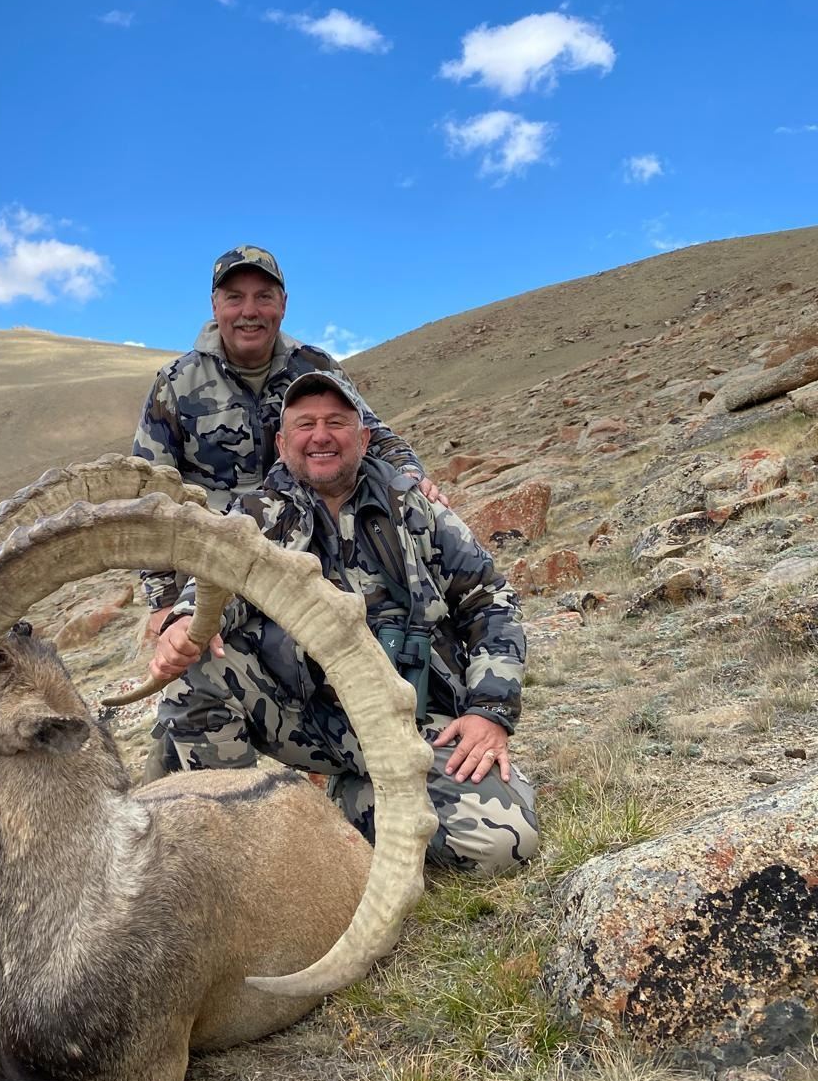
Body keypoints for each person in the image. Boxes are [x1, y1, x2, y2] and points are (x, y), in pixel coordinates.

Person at [146, 370, 539, 876]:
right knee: (198, 661)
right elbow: (216, 589)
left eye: (336, 422)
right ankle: (239, 852)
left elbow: (491, 603)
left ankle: (349, 805)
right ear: (282, 443)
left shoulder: (416, 509)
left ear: (364, 437)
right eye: (305, 424)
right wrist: (185, 620)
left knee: (503, 845)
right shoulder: (254, 518)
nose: (321, 436)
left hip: (415, 723)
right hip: (308, 718)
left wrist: (490, 710)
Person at [132, 244, 446, 636]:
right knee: (201, 659)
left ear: (283, 304)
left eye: (264, 297)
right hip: (217, 566)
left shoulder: (315, 366)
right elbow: (150, 491)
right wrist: (162, 601)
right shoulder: (175, 384)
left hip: (309, 545)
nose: (250, 311)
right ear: (215, 306)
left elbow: (372, 435)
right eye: (235, 298)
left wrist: (411, 475)